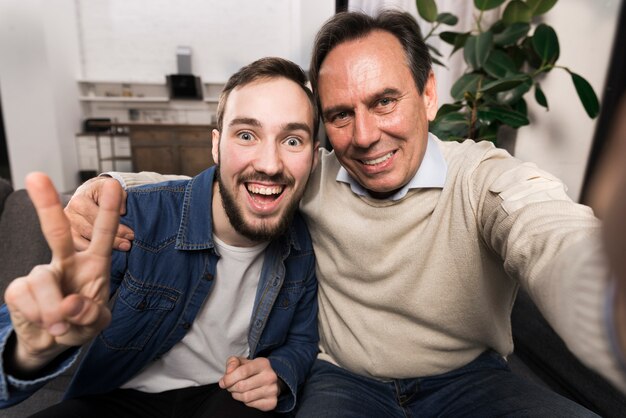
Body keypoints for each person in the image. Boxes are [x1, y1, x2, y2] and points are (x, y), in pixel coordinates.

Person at [64, 11, 626, 417]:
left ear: (428, 94)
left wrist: (604, 290)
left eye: (384, 101)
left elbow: (547, 229)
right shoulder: (311, 174)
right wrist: (108, 185)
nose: (364, 137)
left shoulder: (483, 179)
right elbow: (221, 184)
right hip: (343, 380)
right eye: (339, 115)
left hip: (471, 380)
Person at [0, 57, 320, 417]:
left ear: (313, 158)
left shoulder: (301, 243)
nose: (269, 164)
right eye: (246, 135)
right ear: (216, 146)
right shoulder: (134, 218)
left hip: (225, 399)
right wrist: (25, 352)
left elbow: (302, 340)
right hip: (120, 398)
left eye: (292, 140)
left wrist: (280, 372)